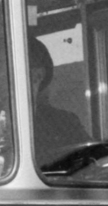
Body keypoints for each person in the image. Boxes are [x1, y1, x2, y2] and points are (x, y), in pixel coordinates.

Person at [27, 38, 87, 170]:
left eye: (36, 75)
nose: (0, 78)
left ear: (39, 76)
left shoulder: (65, 123)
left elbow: (93, 158)